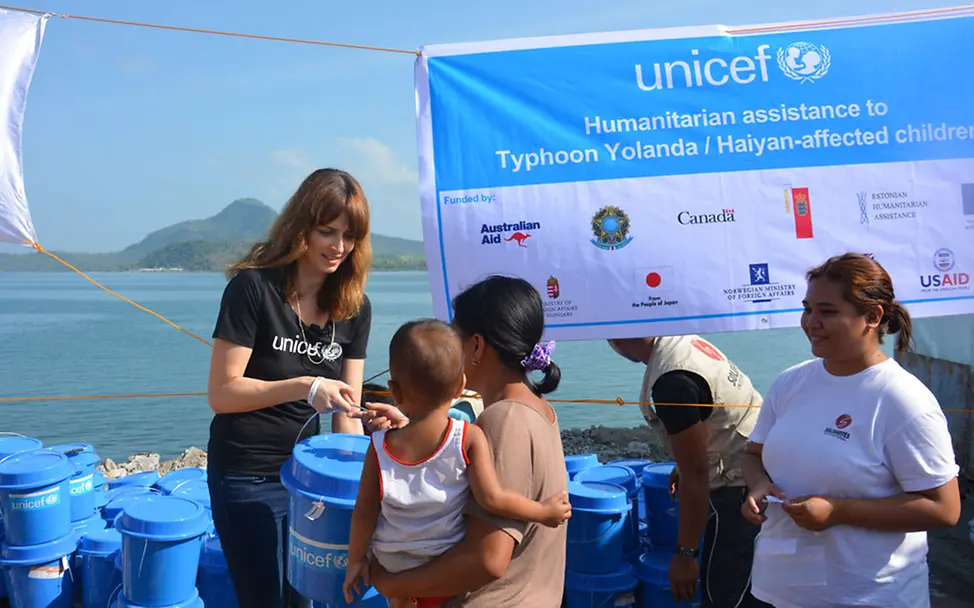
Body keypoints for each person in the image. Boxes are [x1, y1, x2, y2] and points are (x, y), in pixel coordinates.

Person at [205, 168, 406, 608]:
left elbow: (346, 415)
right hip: (245, 473)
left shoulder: (354, 307)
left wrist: (359, 481)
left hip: (309, 479)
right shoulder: (253, 289)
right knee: (265, 599)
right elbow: (222, 393)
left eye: (349, 235)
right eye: (326, 231)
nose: (338, 247)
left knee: (306, 598)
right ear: (301, 227)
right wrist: (304, 386)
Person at [741, 252, 961, 608]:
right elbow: (753, 455)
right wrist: (758, 485)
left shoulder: (902, 400)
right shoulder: (789, 383)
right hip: (779, 587)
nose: (811, 322)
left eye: (827, 312)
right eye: (807, 308)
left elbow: (943, 508)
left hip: (865, 595)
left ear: (872, 317)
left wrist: (837, 510)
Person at [369, 276, 569, 607]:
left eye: (453, 338)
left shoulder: (503, 420)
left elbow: (487, 559)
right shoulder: (538, 410)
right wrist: (416, 429)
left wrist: (393, 582)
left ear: (476, 346)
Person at [608, 334, 768, 607]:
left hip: (739, 489)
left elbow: (696, 473)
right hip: (762, 461)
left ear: (617, 339)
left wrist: (685, 556)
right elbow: (715, 417)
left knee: (726, 595)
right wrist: (684, 465)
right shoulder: (683, 340)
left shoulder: (672, 381)